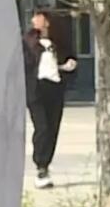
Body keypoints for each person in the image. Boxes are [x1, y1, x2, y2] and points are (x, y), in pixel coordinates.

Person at [23, 10, 77, 189]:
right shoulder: (28, 42)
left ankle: (45, 166)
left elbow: (70, 60)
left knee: (53, 128)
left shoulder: (59, 43)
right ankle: (40, 165)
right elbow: (24, 65)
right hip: (36, 89)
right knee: (42, 127)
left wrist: (68, 66)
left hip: (55, 88)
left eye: (37, 16)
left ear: (47, 21)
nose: (33, 20)